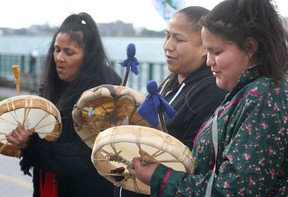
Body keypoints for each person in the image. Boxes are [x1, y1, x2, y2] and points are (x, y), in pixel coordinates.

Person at [128, 0, 288, 196]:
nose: (209, 60)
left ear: (250, 47)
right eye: (208, 50)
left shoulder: (264, 97)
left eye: (217, 52)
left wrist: (160, 177)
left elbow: (235, 190)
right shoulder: (249, 90)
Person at [114, 6, 227, 197]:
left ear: (205, 46)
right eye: (167, 36)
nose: (168, 45)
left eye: (179, 39)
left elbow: (192, 162)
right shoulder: (170, 84)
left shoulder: (210, 92)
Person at [6, 12, 121, 197]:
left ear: (88, 55)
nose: (59, 57)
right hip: (50, 183)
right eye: (57, 49)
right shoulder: (53, 85)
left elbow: (85, 155)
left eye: (69, 52)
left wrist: (33, 145)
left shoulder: (103, 93)